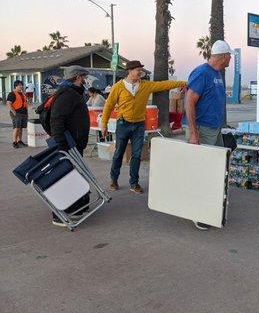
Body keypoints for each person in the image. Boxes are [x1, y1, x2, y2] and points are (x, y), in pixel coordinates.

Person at [102, 60, 186, 195]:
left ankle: (134, 183)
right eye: (137, 69)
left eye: (140, 69)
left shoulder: (146, 85)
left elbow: (164, 85)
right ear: (129, 71)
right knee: (118, 154)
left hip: (139, 125)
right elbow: (108, 106)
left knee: (136, 155)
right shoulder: (118, 87)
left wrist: (182, 83)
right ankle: (114, 179)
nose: (140, 71)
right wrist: (104, 124)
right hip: (123, 124)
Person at [185, 40, 232, 230]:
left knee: (215, 170)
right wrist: (194, 134)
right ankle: (198, 213)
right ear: (222, 56)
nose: (230, 58)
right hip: (202, 129)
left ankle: (209, 208)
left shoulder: (217, 74)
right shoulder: (202, 72)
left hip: (214, 129)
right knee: (201, 172)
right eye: (229, 55)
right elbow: (189, 102)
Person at [49, 66, 91, 227]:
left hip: (73, 143)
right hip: (67, 144)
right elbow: (57, 119)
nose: (85, 79)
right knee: (65, 179)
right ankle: (59, 214)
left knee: (75, 176)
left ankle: (78, 207)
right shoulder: (67, 94)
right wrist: (61, 143)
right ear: (78, 77)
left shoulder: (72, 92)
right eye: (83, 76)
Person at [6, 80, 28, 148]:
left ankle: (19, 141)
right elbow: (8, 103)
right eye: (20, 85)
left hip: (23, 113)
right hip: (16, 113)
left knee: (21, 128)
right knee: (16, 128)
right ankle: (14, 142)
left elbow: (25, 103)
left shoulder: (22, 93)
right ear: (16, 86)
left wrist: (27, 113)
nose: (21, 86)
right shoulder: (12, 93)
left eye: (22, 85)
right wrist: (14, 112)